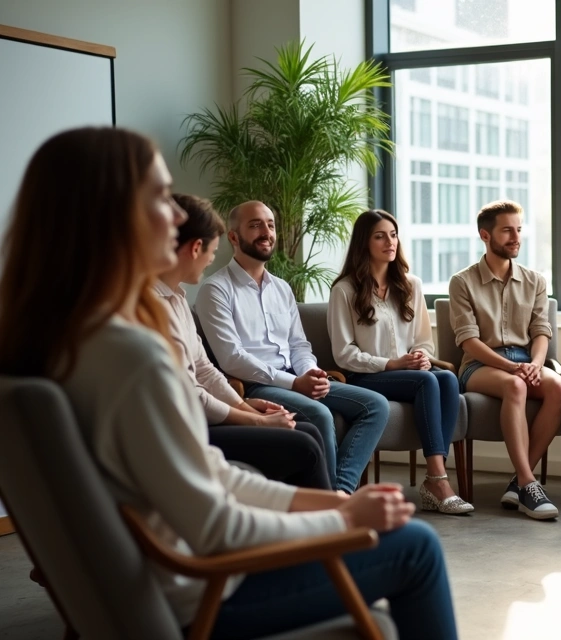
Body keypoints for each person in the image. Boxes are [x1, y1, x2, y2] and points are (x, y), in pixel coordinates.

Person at [0, 127, 457, 639]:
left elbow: (210, 474)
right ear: (109, 216)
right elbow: (217, 525)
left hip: (171, 577)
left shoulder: (56, 343)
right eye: (159, 197)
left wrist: (340, 504)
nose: (177, 217)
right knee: (417, 546)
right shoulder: (131, 356)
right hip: (206, 593)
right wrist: (345, 521)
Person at [195, 201, 390, 495]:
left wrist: (311, 373)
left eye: (270, 224)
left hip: (295, 377)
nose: (266, 232)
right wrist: (294, 383)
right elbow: (232, 358)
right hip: (255, 385)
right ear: (234, 237)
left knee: (376, 405)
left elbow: (299, 344)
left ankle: (340, 493)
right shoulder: (216, 289)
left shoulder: (282, 288)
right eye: (255, 225)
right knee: (320, 415)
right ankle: (330, 500)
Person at [157, 193, 329, 490]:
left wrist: (246, 407)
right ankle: (336, 519)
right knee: (305, 442)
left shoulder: (179, 298)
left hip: (208, 410)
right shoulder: (160, 304)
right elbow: (191, 392)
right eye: (212, 251)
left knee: (309, 432)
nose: (212, 259)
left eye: (270, 224)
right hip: (185, 426)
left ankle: (335, 517)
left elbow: (205, 369)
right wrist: (255, 420)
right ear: (196, 248)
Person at [329, 209, 472, 514]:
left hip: (408, 374)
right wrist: (391, 364)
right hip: (364, 376)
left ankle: (436, 476)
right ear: (363, 243)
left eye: (393, 235)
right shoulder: (344, 290)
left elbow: (423, 338)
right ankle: (438, 482)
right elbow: (344, 354)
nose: (389, 242)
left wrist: (420, 355)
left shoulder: (411, 284)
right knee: (426, 380)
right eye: (379, 236)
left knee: (446, 378)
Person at [448, 200, 561, 520]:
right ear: (485, 236)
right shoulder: (462, 282)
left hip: (525, 361)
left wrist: (535, 363)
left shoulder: (535, 280)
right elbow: (468, 341)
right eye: (507, 230)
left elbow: (541, 331)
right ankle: (530, 483)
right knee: (516, 386)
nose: (516, 237)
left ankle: (518, 482)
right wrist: (513, 368)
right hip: (480, 365)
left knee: (559, 388)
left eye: (518, 229)